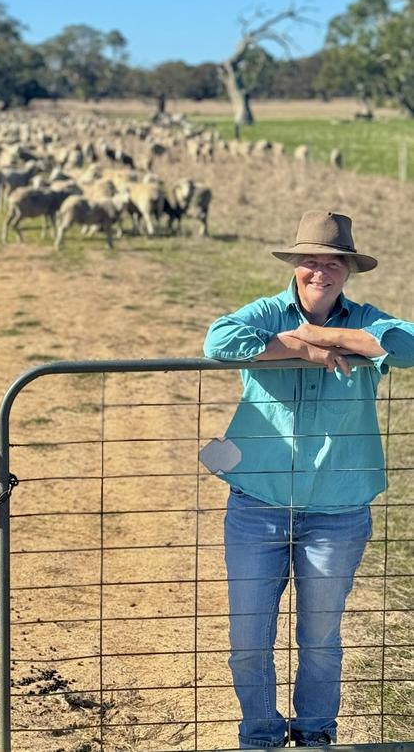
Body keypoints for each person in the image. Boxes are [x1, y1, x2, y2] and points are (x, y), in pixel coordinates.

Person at [202, 210, 414, 749]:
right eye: (310, 261)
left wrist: (332, 334)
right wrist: (301, 348)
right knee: (249, 637)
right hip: (258, 502)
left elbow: (409, 344)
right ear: (295, 265)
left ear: (348, 269)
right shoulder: (267, 312)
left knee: (320, 638)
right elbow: (218, 340)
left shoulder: (367, 319)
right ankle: (261, 735)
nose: (320, 271)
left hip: (337, 510)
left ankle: (316, 733)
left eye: (332, 262)